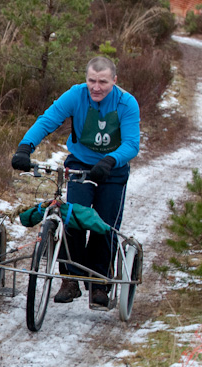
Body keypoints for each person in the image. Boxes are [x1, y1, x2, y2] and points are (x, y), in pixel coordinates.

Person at [11, 56, 140, 307]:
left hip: (113, 169)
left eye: (103, 81)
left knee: (104, 225)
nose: (96, 87)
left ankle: (99, 282)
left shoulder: (127, 103)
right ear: (86, 79)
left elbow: (132, 144)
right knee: (73, 220)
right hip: (81, 165)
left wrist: (110, 161)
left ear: (114, 80)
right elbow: (48, 120)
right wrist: (25, 147)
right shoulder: (76, 95)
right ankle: (70, 279)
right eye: (91, 80)